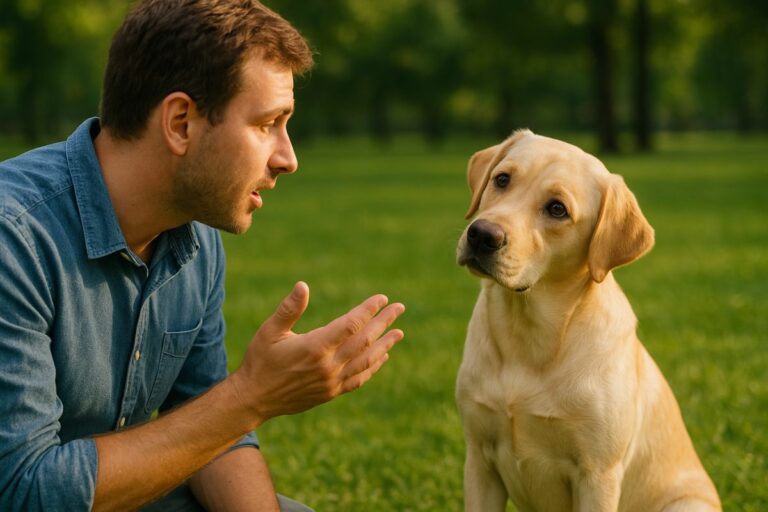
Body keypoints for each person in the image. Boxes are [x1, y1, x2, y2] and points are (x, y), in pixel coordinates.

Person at [0, 1, 405, 510]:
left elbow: (207, 424)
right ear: (181, 123)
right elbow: (23, 491)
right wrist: (251, 397)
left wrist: (238, 406)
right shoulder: (14, 238)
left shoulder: (194, 239)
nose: (288, 158)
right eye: (268, 124)